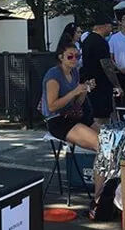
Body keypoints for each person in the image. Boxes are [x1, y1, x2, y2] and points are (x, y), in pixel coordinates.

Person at [41, 40, 107, 206]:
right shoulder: (53, 76)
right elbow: (52, 106)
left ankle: (108, 189)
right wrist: (74, 92)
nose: (74, 59)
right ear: (61, 57)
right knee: (101, 145)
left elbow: (78, 103)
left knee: (110, 138)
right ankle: (98, 198)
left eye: (77, 56)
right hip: (58, 121)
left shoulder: (75, 73)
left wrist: (84, 90)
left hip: (74, 115)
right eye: (70, 56)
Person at [81, 13, 123, 125]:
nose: (111, 29)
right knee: (102, 118)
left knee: (93, 115)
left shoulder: (87, 41)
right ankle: (99, 139)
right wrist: (117, 84)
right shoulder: (101, 42)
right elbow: (106, 65)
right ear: (103, 26)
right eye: (110, 26)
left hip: (90, 84)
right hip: (101, 86)